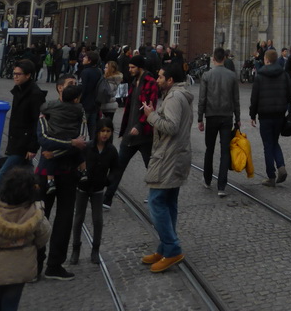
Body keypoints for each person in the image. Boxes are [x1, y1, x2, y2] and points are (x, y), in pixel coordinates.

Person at [139, 65, 192, 272]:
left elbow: (171, 126)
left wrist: (151, 116)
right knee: (168, 203)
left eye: (160, 77)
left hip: (169, 157)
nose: (157, 80)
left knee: (156, 202)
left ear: (170, 80)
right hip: (175, 155)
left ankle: (172, 249)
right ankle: (163, 247)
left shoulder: (173, 98)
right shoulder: (178, 95)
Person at [35, 79, 88, 281]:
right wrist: (70, 144)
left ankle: (54, 265)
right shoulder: (51, 112)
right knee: (40, 218)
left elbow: (82, 141)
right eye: (69, 83)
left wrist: (56, 151)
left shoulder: (55, 110)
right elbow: (42, 139)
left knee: (64, 220)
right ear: (59, 88)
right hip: (49, 171)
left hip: (66, 172)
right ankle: (36, 264)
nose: (72, 85)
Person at [0, 61, 45, 218]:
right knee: (28, 179)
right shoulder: (19, 90)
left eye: (18, 74)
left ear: (28, 75)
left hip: (22, 145)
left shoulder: (34, 95)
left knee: (1, 179)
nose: (14, 77)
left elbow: (37, 123)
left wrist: (32, 147)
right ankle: (30, 210)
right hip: (17, 141)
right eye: (14, 74)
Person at [0, 167, 51, 311]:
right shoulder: (35, 214)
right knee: (11, 302)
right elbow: (43, 236)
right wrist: (31, 247)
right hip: (20, 266)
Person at [102, 55, 159, 209]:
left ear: (140, 67)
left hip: (144, 134)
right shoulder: (134, 82)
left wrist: (139, 126)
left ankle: (156, 195)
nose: (130, 70)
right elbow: (130, 108)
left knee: (151, 166)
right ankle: (107, 198)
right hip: (129, 133)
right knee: (119, 166)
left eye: (133, 67)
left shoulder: (150, 82)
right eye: (129, 67)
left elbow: (150, 107)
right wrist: (126, 128)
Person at [70, 118, 118, 266]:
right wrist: (79, 177)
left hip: (98, 189)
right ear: (97, 132)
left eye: (108, 131)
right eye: (102, 131)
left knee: (98, 220)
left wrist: (108, 181)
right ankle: (75, 249)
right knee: (78, 218)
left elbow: (116, 169)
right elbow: (76, 162)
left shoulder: (111, 150)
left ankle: (95, 249)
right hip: (83, 187)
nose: (105, 134)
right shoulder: (87, 147)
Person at [198, 47, 242, 197]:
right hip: (227, 117)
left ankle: (207, 179)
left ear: (213, 59)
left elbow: (202, 98)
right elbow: (236, 99)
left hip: (211, 116)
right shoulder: (232, 76)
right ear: (224, 58)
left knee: (209, 149)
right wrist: (238, 118)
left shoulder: (207, 75)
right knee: (224, 152)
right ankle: (221, 186)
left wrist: (199, 118)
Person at [249, 48, 291, 187]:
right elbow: (290, 94)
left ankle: (271, 176)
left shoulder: (260, 76)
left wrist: (252, 115)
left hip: (265, 115)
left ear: (267, 60)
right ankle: (281, 166)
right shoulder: (284, 74)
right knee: (274, 141)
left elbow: (254, 98)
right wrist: (283, 104)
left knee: (268, 145)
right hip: (279, 114)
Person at [77, 50, 103, 142]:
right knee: (93, 131)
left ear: (89, 60)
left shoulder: (85, 72)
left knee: (81, 131)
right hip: (95, 105)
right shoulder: (99, 71)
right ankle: (94, 147)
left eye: (85, 57)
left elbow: (81, 90)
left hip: (85, 105)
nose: (83, 58)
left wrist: (77, 101)